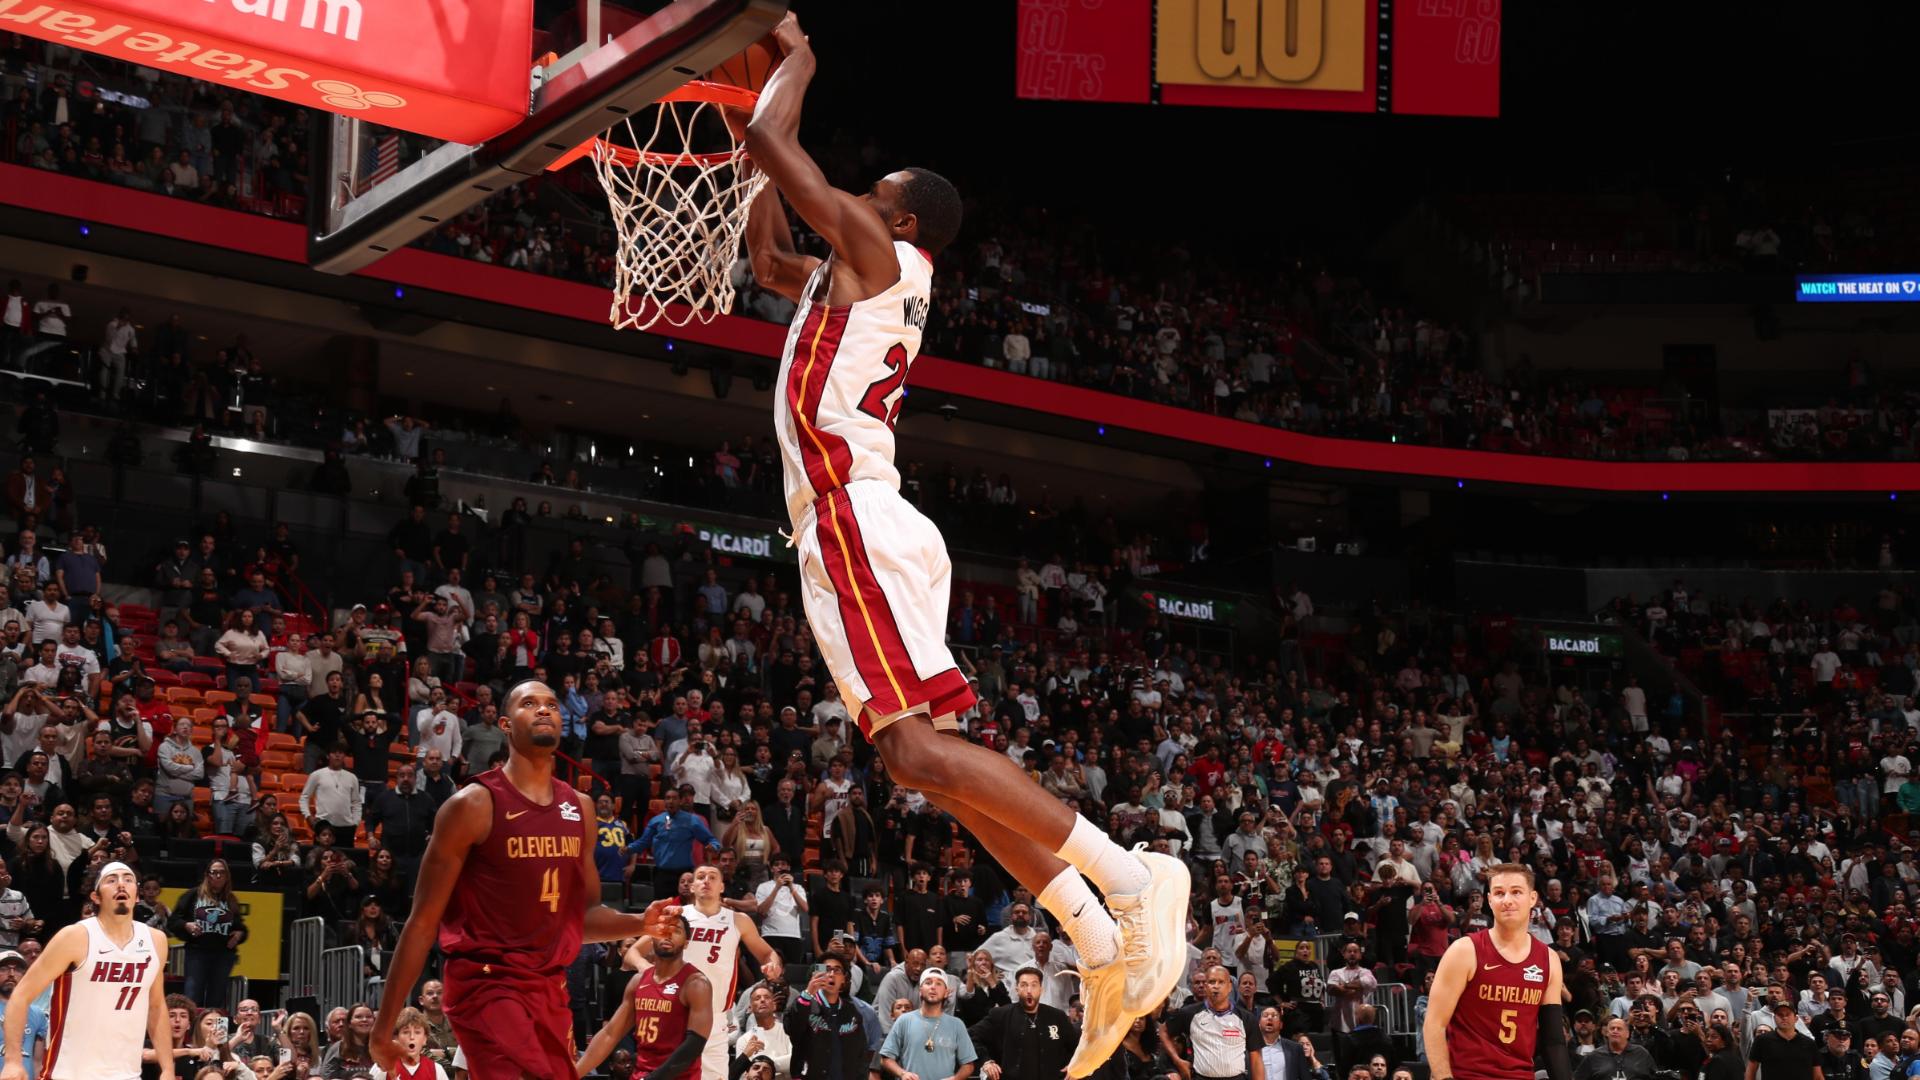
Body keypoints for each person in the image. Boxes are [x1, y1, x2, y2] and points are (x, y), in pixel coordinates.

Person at [739, 17, 1184, 1074]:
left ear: (896, 215)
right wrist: (756, 100)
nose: (850, 192)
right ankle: (1092, 930)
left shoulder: (883, 252)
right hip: (867, 522)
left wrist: (796, 64)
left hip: (854, 513)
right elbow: (762, 247)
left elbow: (771, 148)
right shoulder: (842, 273)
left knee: (915, 756)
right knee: (933, 775)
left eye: (868, 188)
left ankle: (1132, 881)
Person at [368, 679, 660, 1078]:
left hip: (548, 987)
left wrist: (642, 923)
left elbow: (582, 918)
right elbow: (421, 923)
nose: (544, 710)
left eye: (552, 705)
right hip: (486, 983)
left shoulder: (582, 809)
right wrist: (383, 1028)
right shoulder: (472, 805)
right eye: (530, 704)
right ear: (505, 724)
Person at [0, 862, 172, 1080]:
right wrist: (13, 1061)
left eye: (128, 879)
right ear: (96, 897)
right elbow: (20, 996)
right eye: (112, 880)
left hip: (126, 1073)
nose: (121, 884)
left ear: (137, 895)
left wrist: (167, 1069)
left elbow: (156, 1006)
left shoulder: (155, 941)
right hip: (69, 1072)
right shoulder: (75, 937)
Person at [624, 862, 786, 1080]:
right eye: (700, 877)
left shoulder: (738, 920)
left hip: (716, 1018)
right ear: (691, 886)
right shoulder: (677, 918)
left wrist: (772, 965)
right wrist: (648, 971)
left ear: (722, 886)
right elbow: (632, 952)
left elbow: (768, 954)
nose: (706, 881)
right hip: (675, 1015)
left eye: (712, 877)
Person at [1422, 865, 1571, 1080]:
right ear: (1490, 900)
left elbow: (1553, 1040)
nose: (1507, 900)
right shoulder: (1465, 950)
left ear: (1532, 898)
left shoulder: (1549, 959)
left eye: (1516, 892)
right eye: (1500, 893)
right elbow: (1434, 1024)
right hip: (1468, 1075)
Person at [578, 912, 714, 1080]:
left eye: (676, 930)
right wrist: (573, 1073)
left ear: (686, 943)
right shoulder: (638, 981)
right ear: (652, 938)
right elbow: (610, 1034)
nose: (669, 934)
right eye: (664, 929)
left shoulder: (696, 984)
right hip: (641, 1073)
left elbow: (694, 1046)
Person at [968, 967, 1076, 1080]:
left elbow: (1077, 1046)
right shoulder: (1000, 1015)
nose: (1029, 990)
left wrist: (1075, 1064)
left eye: (1034, 985)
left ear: (1041, 989)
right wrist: (986, 1061)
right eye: (1024, 985)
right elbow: (971, 1035)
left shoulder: (1057, 1016)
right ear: (1017, 989)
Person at [1161, 965, 1262, 1080]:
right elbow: (1163, 1030)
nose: (1216, 986)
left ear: (1229, 987)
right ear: (1206, 986)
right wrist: (1178, 1061)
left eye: (1221, 982)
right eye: (1212, 982)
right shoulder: (1189, 1013)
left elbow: (1256, 1059)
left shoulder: (1246, 1018)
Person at [879, 968, 975, 1080]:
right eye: (928, 983)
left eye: (939, 984)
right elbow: (886, 1058)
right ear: (920, 991)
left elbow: (968, 1064)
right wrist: (902, 1073)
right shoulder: (904, 1020)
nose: (933, 987)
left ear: (946, 993)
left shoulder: (957, 1025)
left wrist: (955, 1078)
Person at [1748, 1001, 1822, 1080]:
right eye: (1780, 1014)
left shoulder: (1809, 1043)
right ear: (1774, 1018)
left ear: (1796, 1018)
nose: (1784, 1017)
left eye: (1788, 1014)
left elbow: (1817, 1075)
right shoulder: (1762, 1040)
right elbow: (1751, 1071)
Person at [370, 1007, 450, 1080]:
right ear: (396, 1038)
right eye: (406, 1032)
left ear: (424, 1039)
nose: (412, 1037)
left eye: (417, 1032)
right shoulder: (383, 1067)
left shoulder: (436, 1069)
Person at [1572, 1018, 1656, 1080]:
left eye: (1619, 1029)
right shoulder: (1594, 1056)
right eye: (1612, 1028)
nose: (1615, 1031)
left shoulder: (1641, 1053)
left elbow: (1655, 1076)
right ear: (1607, 1033)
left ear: (1627, 1034)